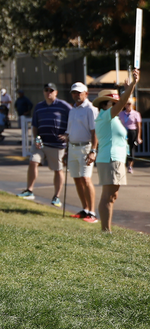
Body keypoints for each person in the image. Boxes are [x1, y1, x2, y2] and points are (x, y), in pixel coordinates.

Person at [94, 69, 140, 233]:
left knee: (112, 196)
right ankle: (106, 230)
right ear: (105, 104)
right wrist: (133, 85)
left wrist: (128, 88)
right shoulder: (106, 115)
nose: (116, 105)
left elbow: (122, 101)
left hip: (115, 159)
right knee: (108, 196)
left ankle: (106, 229)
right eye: (113, 103)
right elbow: (123, 102)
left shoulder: (109, 117)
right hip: (111, 159)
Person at [19, 82, 70, 206]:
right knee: (33, 161)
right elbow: (35, 125)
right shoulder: (39, 106)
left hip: (57, 144)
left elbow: (74, 119)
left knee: (58, 170)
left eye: (51, 90)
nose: (48, 92)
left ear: (56, 92)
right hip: (41, 143)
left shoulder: (63, 106)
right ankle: (29, 190)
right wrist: (36, 137)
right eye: (46, 90)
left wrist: (67, 135)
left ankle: (56, 197)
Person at [64, 82, 99, 223]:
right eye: (74, 92)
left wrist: (93, 150)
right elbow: (70, 131)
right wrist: (66, 150)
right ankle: (85, 209)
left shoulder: (90, 109)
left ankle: (92, 212)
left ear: (86, 93)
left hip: (86, 148)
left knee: (86, 179)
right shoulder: (72, 109)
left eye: (79, 92)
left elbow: (94, 131)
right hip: (72, 148)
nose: (76, 95)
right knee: (77, 179)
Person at [120, 92, 141, 172]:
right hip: (123, 131)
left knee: (131, 148)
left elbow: (139, 126)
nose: (128, 105)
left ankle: (130, 166)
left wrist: (138, 137)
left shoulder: (136, 114)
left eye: (129, 104)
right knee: (122, 147)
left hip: (132, 131)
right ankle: (122, 164)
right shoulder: (121, 113)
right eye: (126, 104)